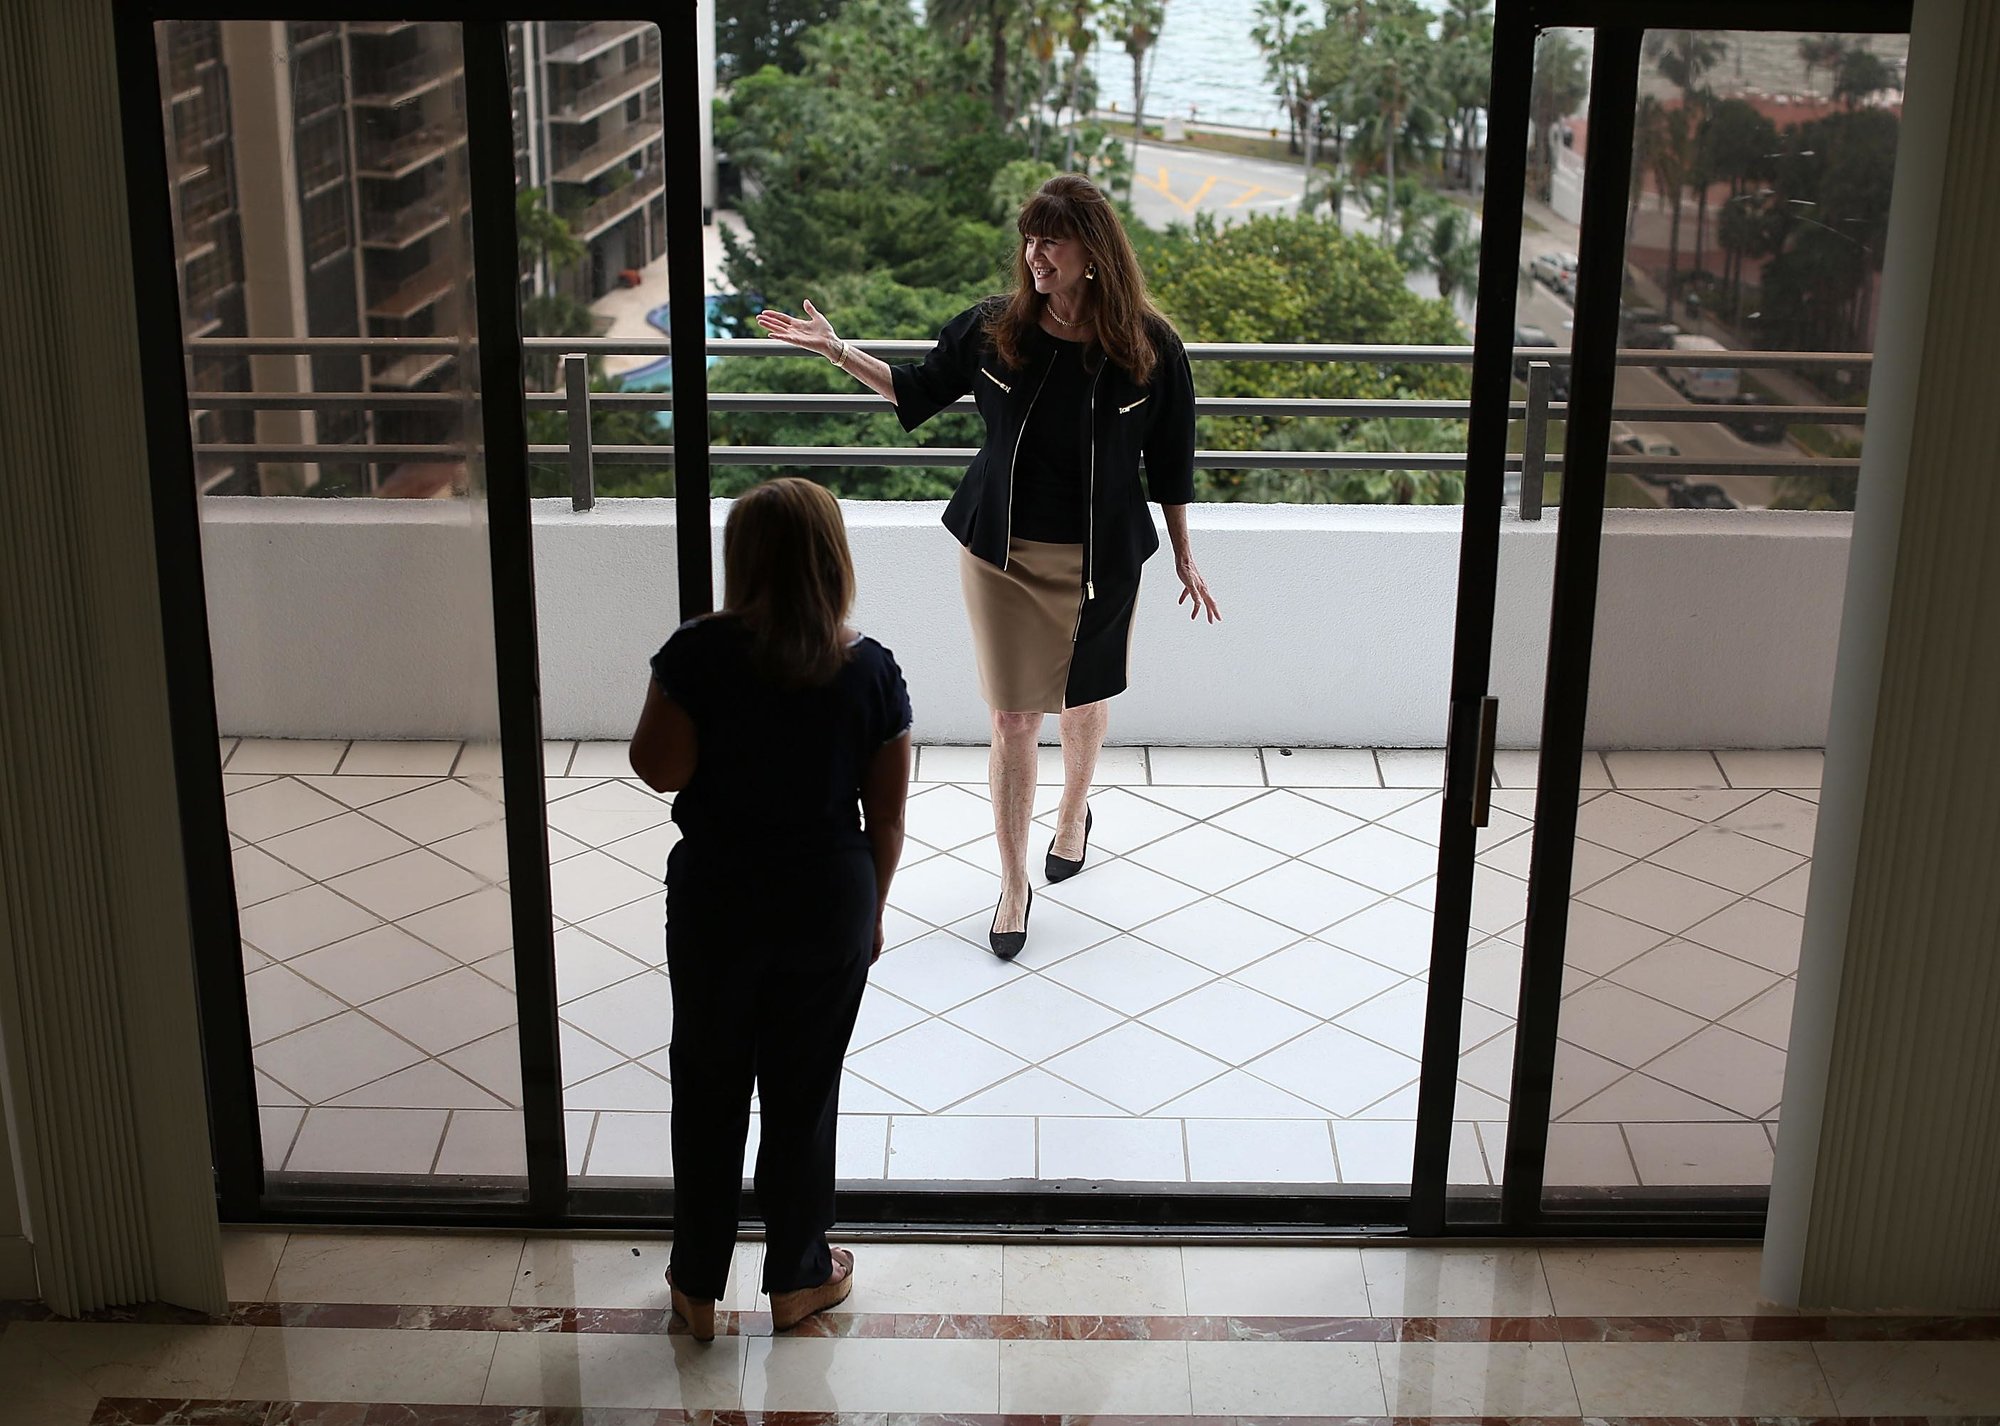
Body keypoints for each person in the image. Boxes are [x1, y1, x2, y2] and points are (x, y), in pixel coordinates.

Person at [757, 174, 1219, 961]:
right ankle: (1012, 880)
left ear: (1093, 253)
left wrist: (1182, 551)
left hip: (1104, 558)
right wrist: (837, 351)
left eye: (1053, 240)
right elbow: (916, 390)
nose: (1036, 255)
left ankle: (1074, 811)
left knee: (1083, 698)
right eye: (1029, 239)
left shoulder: (1148, 346)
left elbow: (1171, 460)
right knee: (1012, 716)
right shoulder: (992, 330)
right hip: (1001, 551)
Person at [628, 477, 913, 1340]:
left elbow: (659, 768)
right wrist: (870, 914)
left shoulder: (696, 653)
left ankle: (694, 1284)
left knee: (709, 1081)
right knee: (802, 1089)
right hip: (827, 895)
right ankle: (798, 1276)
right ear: (833, 557)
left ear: (740, 555)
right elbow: (887, 815)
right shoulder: (871, 668)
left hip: (719, 895)